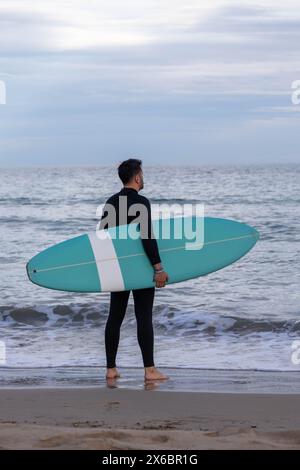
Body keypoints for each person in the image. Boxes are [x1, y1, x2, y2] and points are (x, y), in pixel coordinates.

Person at [99, 158, 169, 381]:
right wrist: (158, 268)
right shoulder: (141, 202)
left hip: (118, 267)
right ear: (137, 177)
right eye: (143, 174)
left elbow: (103, 237)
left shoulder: (110, 202)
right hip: (139, 268)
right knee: (143, 316)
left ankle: (111, 369)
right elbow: (147, 236)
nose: (143, 178)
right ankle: (149, 370)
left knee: (115, 317)